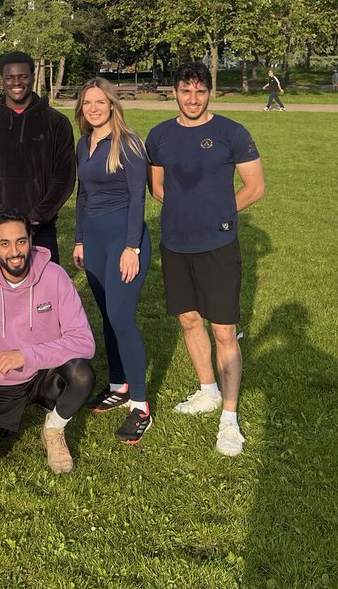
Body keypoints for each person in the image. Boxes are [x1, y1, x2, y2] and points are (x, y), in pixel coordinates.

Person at [146, 62, 265, 457]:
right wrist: (187, 213)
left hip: (218, 245)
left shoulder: (232, 132)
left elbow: (255, 187)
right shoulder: (159, 135)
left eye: (200, 91)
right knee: (188, 319)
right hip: (176, 244)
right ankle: (207, 391)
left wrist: (217, 216)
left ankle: (229, 418)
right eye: (186, 90)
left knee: (225, 331)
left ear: (209, 92)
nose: (193, 99)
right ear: (174, 93)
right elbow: (157, 187)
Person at [0, 211, 95, 479]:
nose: (15, 252)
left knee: (81, 374)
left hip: (43, 374)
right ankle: (0, 423)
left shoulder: (54, 275)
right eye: (5, 244)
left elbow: (84, 342)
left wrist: (26, 356)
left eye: (21, 241)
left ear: (30, 239)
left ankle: (53, 428)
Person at [73, 79, 152, 443]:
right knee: (106, 314)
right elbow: (83, 196)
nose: (93, 108)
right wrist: (79, 240)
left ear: (112, 105)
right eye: (87, 102)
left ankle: (141, 405)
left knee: (121, 315)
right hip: (94, 241)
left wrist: (131, 248)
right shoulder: (83, 144)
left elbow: (138, 198)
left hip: (123, 240)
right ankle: (119, 385)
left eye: (100, 102)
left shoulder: (129, 142)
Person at [0, 50, 75, 265]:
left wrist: (37, 218)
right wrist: (0, 217)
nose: (16, 82)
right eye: (10, 77)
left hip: (40, 229)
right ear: (2, 80)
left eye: (23, 76)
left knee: (44, 285)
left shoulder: (56, 123)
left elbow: (64, 179)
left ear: (32, 77)